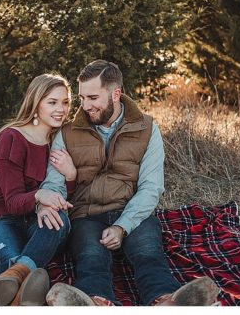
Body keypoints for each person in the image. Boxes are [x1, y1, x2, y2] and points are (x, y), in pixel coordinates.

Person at [37, 59, 220, 306]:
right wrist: (46, 201)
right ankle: (95, 303)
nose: (85, 106)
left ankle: (166, 302)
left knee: (149, 254)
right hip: (86, 214)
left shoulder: (147, 129)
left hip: (132, 210)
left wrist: (122, 226)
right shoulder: (67, 133)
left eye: (93, 98)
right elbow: (54, 182)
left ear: (115, 94)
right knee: (91, 258)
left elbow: (151, 187)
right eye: (82, 98)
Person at [0, 74, 77, 306]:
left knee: (59, 220)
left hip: (39, 225)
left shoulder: (60, 140)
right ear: (35, 102)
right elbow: (12, 202)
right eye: (52, 102)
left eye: (65, 102)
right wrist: (40, 196)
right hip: (4, 221)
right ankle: (20, 292)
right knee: (11, 260)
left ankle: (14, 278)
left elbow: (63, 198)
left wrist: (71, 175)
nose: (61, 109)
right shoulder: (11, 138)